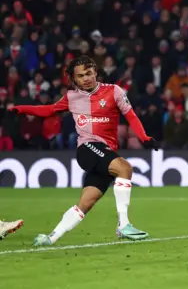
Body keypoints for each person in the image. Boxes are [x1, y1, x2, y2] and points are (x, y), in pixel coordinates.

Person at [11, 56, 159, 247]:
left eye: (89, 73)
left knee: (86, 202)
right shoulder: (71, 97)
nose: (86, 78)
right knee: (125, 168)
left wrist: (144, 137)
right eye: (81, 76)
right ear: (74, 80)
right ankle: (124, 225)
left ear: (95, 71)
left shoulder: (114, 91)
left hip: (105, 151)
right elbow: (48, 110)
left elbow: (131, 116)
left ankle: (51, 238)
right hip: (87, 148)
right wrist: (19, 109)